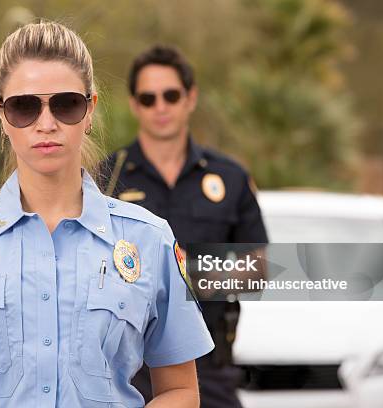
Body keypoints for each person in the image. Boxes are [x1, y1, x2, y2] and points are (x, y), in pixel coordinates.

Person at [0, 22, 214, 408]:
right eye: (24, 106)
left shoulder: (151, 239)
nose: (46, 123)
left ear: (89, 110)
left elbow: (181, 391)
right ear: (1, 112)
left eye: (66, 104)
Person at [101, 46, 268, 408]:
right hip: (129, 366)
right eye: (148, 98)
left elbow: (257, 268)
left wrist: (187, 277)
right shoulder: (106, 178)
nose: (160, 107)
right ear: (134, 105)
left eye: (171, 95)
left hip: (211, 364)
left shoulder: (230, 177)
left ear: (190, 98)